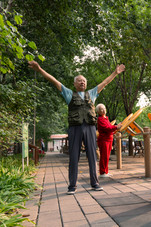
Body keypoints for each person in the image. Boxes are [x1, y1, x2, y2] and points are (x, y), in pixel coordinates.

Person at [28, 60, 125, 194]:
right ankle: (72, 186)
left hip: (90, 128)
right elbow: (54, 81)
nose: (82, 82)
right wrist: (39, 70)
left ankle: (95, 183)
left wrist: (115, 72)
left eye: (84, 81)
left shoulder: (92, 94)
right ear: (74, 84)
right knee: (74, 156)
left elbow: (105, 82)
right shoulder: (69, 94)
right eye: (79, 81)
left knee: (92, 155)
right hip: (75, 128)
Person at [96, 104, 121, 178]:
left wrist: (114, 130)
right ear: (98, 111)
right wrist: (116, 127)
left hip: (109, 139)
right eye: (101, 109)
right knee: (104, 156)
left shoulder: (106, 118)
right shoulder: (100, 119)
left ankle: (106, 171)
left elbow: (110, 127)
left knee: (107, 156)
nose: (103, 110)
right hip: (104, 140)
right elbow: (107, 128)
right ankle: (102, 172)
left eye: (104, 108)